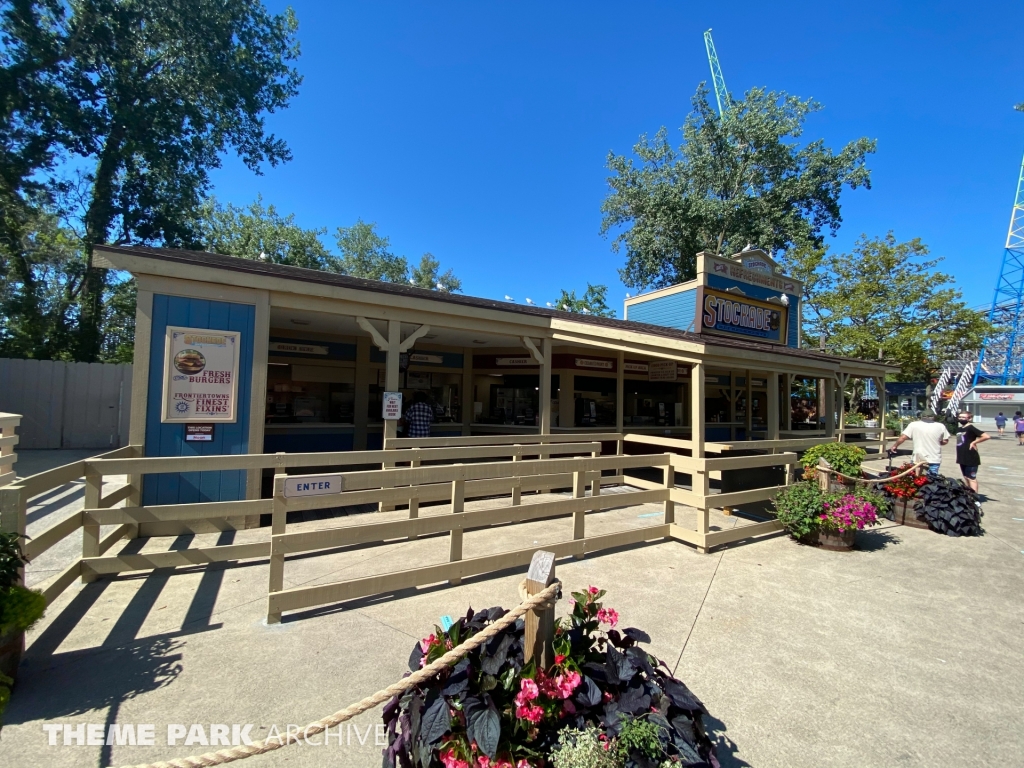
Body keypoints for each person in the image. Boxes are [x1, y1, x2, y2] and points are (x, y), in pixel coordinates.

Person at [887, 409, 950, 475]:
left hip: (918, 457)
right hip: (934, 457)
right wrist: (936, 442)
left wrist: (895, 446)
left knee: (916, 480)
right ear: (933, 417)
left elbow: (903, 437)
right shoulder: (941, 426)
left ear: (921, 416)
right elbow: (945, 441)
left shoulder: (913, 425)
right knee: (932, 480)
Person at [954, 412, 990, 494]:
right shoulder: (960, 429)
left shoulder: (971, 428)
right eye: (960, 417)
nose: (961, 419)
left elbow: (986, 436)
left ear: (969, 418)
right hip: (962, 456)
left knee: (971, 478)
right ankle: (969, 494)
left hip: (971, 457)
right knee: (966, 477)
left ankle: (975, 498)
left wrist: (974, 442)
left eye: (964, 417)